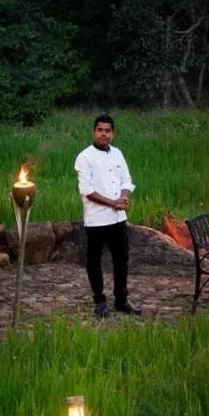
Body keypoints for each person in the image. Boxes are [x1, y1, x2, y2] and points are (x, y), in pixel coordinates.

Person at [74, 115, 142, 317]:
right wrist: (113, 203)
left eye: (108, 130)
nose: (104, 134)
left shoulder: (117, 154)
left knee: (121, 259)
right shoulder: (84, 157)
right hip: (96, 219)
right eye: (100, 130)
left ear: (113, 133)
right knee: (94, 260)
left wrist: (123, 198)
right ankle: (100, 301)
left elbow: (126, 180)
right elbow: (87, 190)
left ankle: (121, 300)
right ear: (94, 132)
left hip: (118, 219)